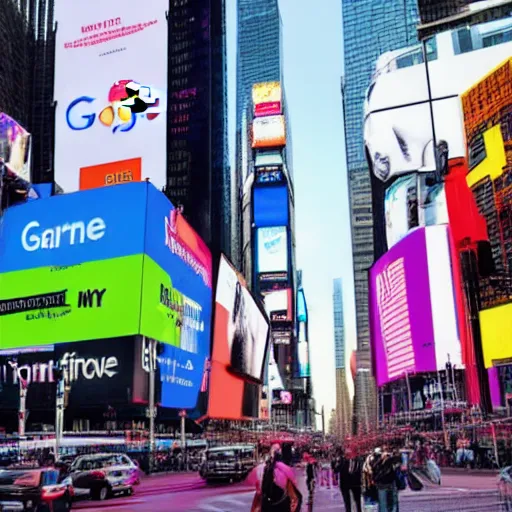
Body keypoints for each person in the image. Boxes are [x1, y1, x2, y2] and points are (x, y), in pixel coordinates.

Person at [248, 444, 302, 512]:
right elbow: (293, 496)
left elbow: (259, 491)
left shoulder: (263, 469)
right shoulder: (285, 470)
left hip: (267, 505)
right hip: (281, 505)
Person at [365, 446, 401, 512]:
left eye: (387, 450)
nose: (385, 452)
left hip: (391, 483)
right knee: (383, 505)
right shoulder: (375, 459)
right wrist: (381, 459)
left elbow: (398, 463)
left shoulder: (391, 459)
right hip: (381, 484)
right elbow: (374, 468)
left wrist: (393, 457)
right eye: (384, 450)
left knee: (393, 504)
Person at [336, 447, 363, 512]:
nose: (348, 455)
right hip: (345, 484)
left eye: (350, 453)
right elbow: (336, 469)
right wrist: (339, 461)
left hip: (356, 483)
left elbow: (360, 470)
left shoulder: (359, 460)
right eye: (347, 453)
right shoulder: (342, 460)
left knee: (357, 501)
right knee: (347, 502)